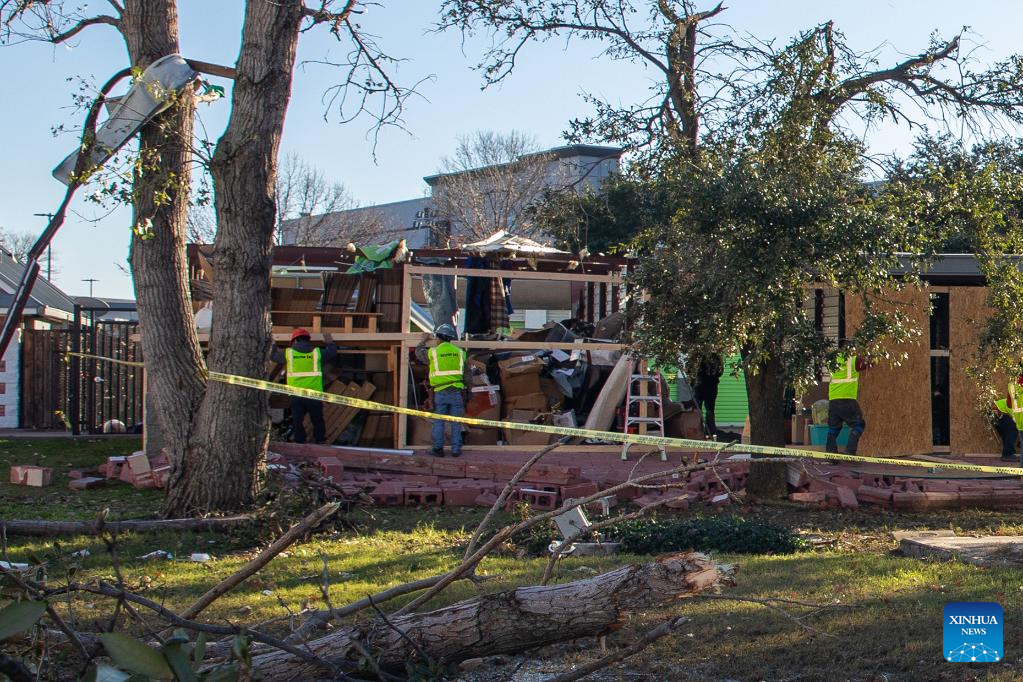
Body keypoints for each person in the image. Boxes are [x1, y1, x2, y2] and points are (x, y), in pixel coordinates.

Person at [271, 328, 338, 444]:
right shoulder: (316, 353)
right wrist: (330, 342)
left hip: (296, 394)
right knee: (317, 419)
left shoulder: (289, 353)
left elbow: (273, 357)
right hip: (314, 394)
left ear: (295, 341)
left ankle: (300, 441)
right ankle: (320, 440)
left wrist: (273, 344)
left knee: (297, 420)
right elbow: (332, 353)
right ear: (308, 340)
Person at [415, 323, 471, 457]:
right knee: (456, 422)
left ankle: (438, 449)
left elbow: (418, 353)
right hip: (456, 392)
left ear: (438, 338)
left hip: (440, 392)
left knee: (439, 421)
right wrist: (468, 390)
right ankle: (456, 449)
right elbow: (467, 375)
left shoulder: (433, 352)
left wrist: (423, 340)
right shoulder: (460, 353)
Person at [826, 346, 870, 455]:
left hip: (833, 400)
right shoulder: (852, 360)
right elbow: (868, 363)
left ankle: (830, 455)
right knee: (859, 425)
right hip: (847, 398)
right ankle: (850, 451)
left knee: (833, 429)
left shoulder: (832, 362)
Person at [692, 354, 724, 438]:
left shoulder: (698, 356)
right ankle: (709, 431)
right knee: (709, 410)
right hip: (710, 387)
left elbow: (691, 371)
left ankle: (698, 430)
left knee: (698, 409)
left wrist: (693, 382)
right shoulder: (716, 357)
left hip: (700, 386)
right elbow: (720, 371)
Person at [993, 374, 1023, 462]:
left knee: (1009, 433)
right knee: (1012, 429)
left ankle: (1007, 453)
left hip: (997, 413)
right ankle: (1007, 454)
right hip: (997, 411)